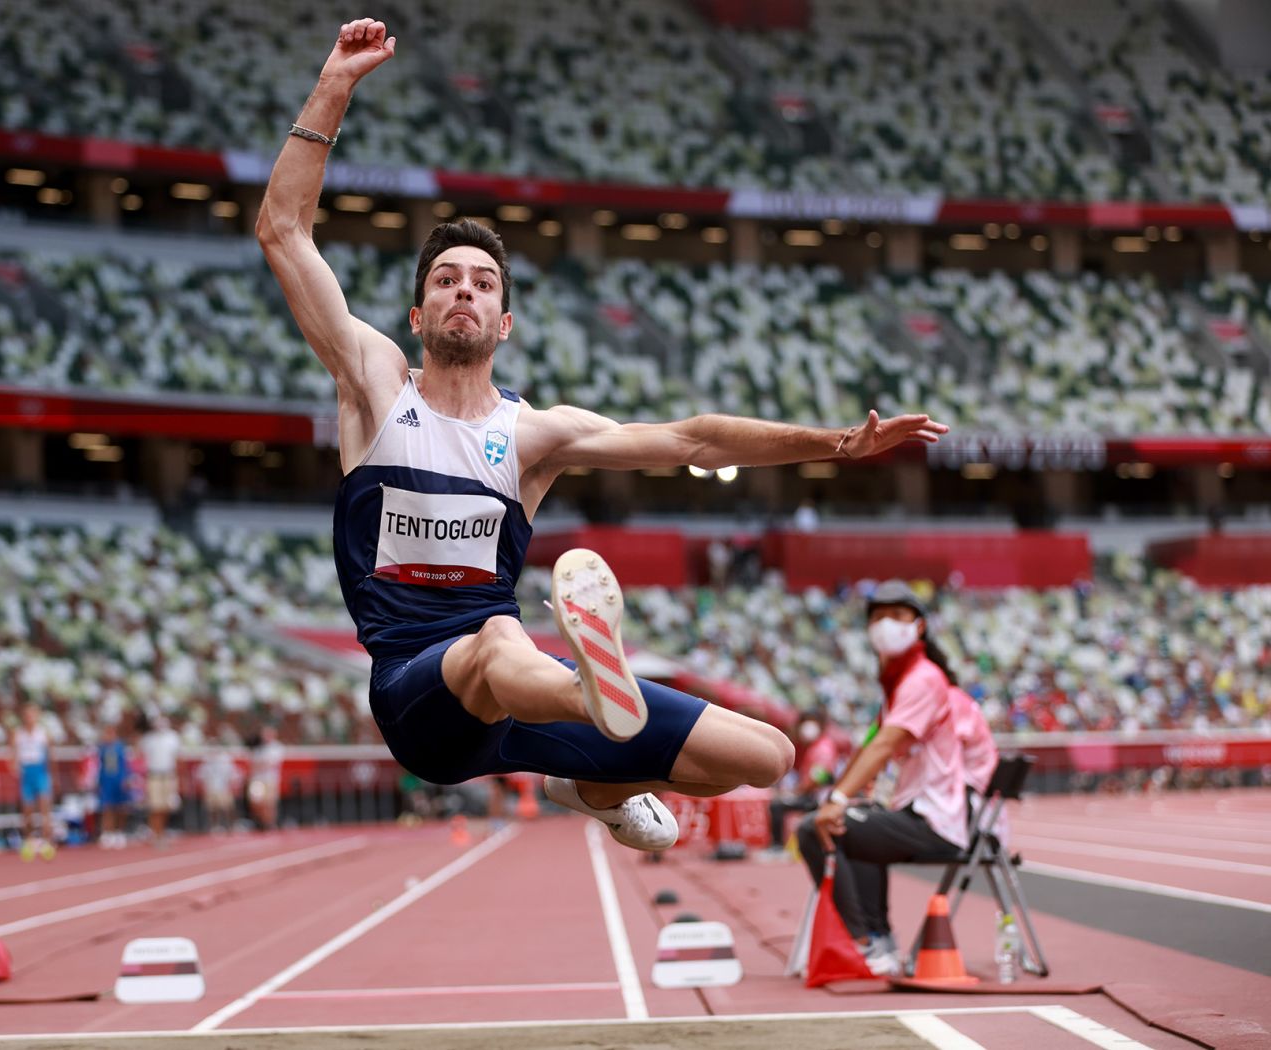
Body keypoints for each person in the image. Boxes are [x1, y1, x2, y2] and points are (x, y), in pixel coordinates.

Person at [256, 19, 948, 853]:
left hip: (523, 704)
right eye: (445, 282)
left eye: (482, 283)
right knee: (501, 634)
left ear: (504, 322)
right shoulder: (373, 386)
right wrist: (336, 82)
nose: (463, 293)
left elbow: (693, 442)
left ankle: (590, 780)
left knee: (765, 754)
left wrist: (834, 444)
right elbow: (284, 231)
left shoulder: (534, 436)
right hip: (418, 695)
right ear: (417, 315)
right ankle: (596, 697)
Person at [796, 580, 972, 975]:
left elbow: (885, 743)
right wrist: (850, 793)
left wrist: (836, 800)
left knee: (816, 828)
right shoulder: (896, 685)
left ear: (920, 626)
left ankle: (865, 942)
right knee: (849, 826)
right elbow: (871, 743)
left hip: (933, 820)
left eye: (898, 615)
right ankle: (879, 941)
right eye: (877, 616)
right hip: (912, 812)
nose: (886, 623)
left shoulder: (923, 679)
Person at [767, 708, 840, 851]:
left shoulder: (824, 747)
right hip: (812, 794)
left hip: (817, 798)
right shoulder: (816, 746)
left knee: (777, 806)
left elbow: (818, 777)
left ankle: (777, 847)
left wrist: (796, 793)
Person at [12, 701, 55, 861]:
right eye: (27, 714)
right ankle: (29, 842)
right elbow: (12, 755)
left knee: (45, 809)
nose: (30, 717)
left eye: (32, 714)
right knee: (27, 811)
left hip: (40, 772)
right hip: (26, 772)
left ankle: (47, 842)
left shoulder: (43, 733)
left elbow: (51, 756)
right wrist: (14, 767)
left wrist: (52, 775)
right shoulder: (18, 734)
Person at [140, 713, 182, 844]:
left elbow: (177, 758)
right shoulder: (148, 739)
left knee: (166, 806)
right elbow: (142, 757)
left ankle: (161, 832)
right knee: (155, 806)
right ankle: (155, 832)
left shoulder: (173, 737)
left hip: (168, 775)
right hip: (154, 775)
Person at [97, 721, 130, 849]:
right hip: (107, 780)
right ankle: (107, 832)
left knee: (120, 807)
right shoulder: (102, 748)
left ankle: (119, 832)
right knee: (107, 807)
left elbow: (124, 765)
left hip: (119, 780)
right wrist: (99, 781)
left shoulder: (120, 747)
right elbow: (100, 766)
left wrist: (125, 779)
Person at [247, 726, 285, 831]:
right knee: (256, 802)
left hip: (270, 780)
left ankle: (270, 824)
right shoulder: (258, 747)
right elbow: (252, 764)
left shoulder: (277, 747)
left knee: (269, 803)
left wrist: (260, 765)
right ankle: (260, 822)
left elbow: (269, 764)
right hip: (257, 779)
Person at [198, 746, 239, 833]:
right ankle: (215, 826)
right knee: (213, 809)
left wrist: (231, 785)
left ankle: (231, 826)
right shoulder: (207, 763)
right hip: (211, 788)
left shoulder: (226, 762)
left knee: (228, 808)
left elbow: (232, 775)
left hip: (224, 788)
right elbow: (201, 776)